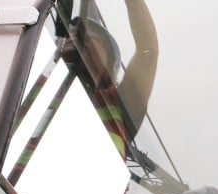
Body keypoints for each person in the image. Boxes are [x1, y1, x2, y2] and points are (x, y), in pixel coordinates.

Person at [66, 0, 158, 159]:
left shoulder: (116, 104)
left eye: (91, 36)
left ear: (110, 67)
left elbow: (148, 50)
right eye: (72, 32)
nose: (76, 36)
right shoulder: (28, 78)